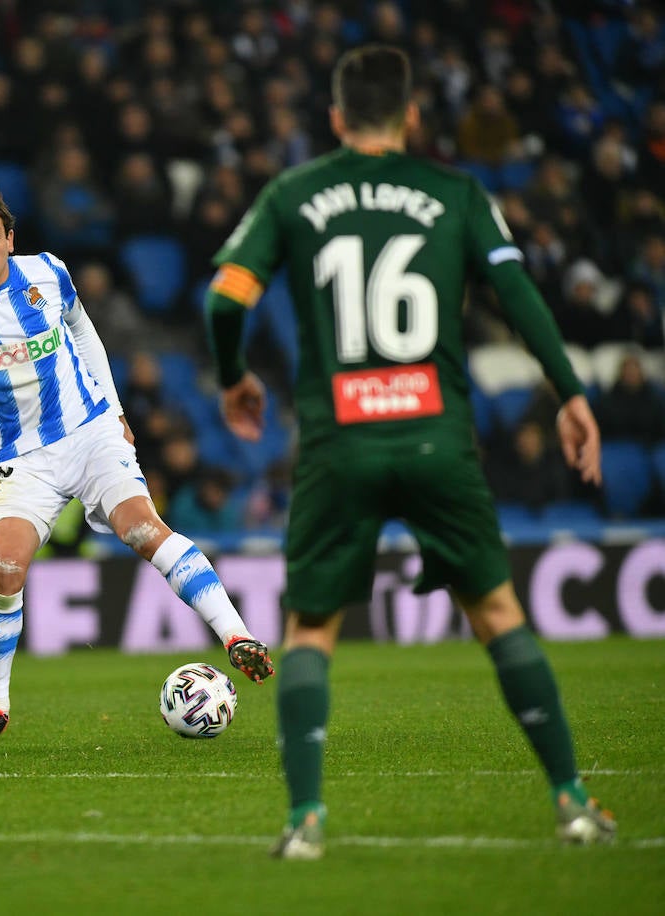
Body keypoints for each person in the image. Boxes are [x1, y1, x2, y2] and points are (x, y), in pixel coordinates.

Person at [205, 45, 615, 860]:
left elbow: (226, 296)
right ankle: (571, 803)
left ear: (334, 117)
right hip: (436, 437)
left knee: (311, 630)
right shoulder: (454, 192)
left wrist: (233, 378)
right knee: (498, 615)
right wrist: (570, 391)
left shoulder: (293, 193)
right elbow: (518, 292)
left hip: (338, 444)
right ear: (412, 117)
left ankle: (306, 824)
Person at [0, 183, 274, 744]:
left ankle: (235, 636)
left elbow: (83, 330)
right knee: (4, 570)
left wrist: (113, 410)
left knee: (142, 527)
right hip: (23, 460)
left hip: (88, 432)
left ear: (10, 240)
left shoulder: (48, 273)